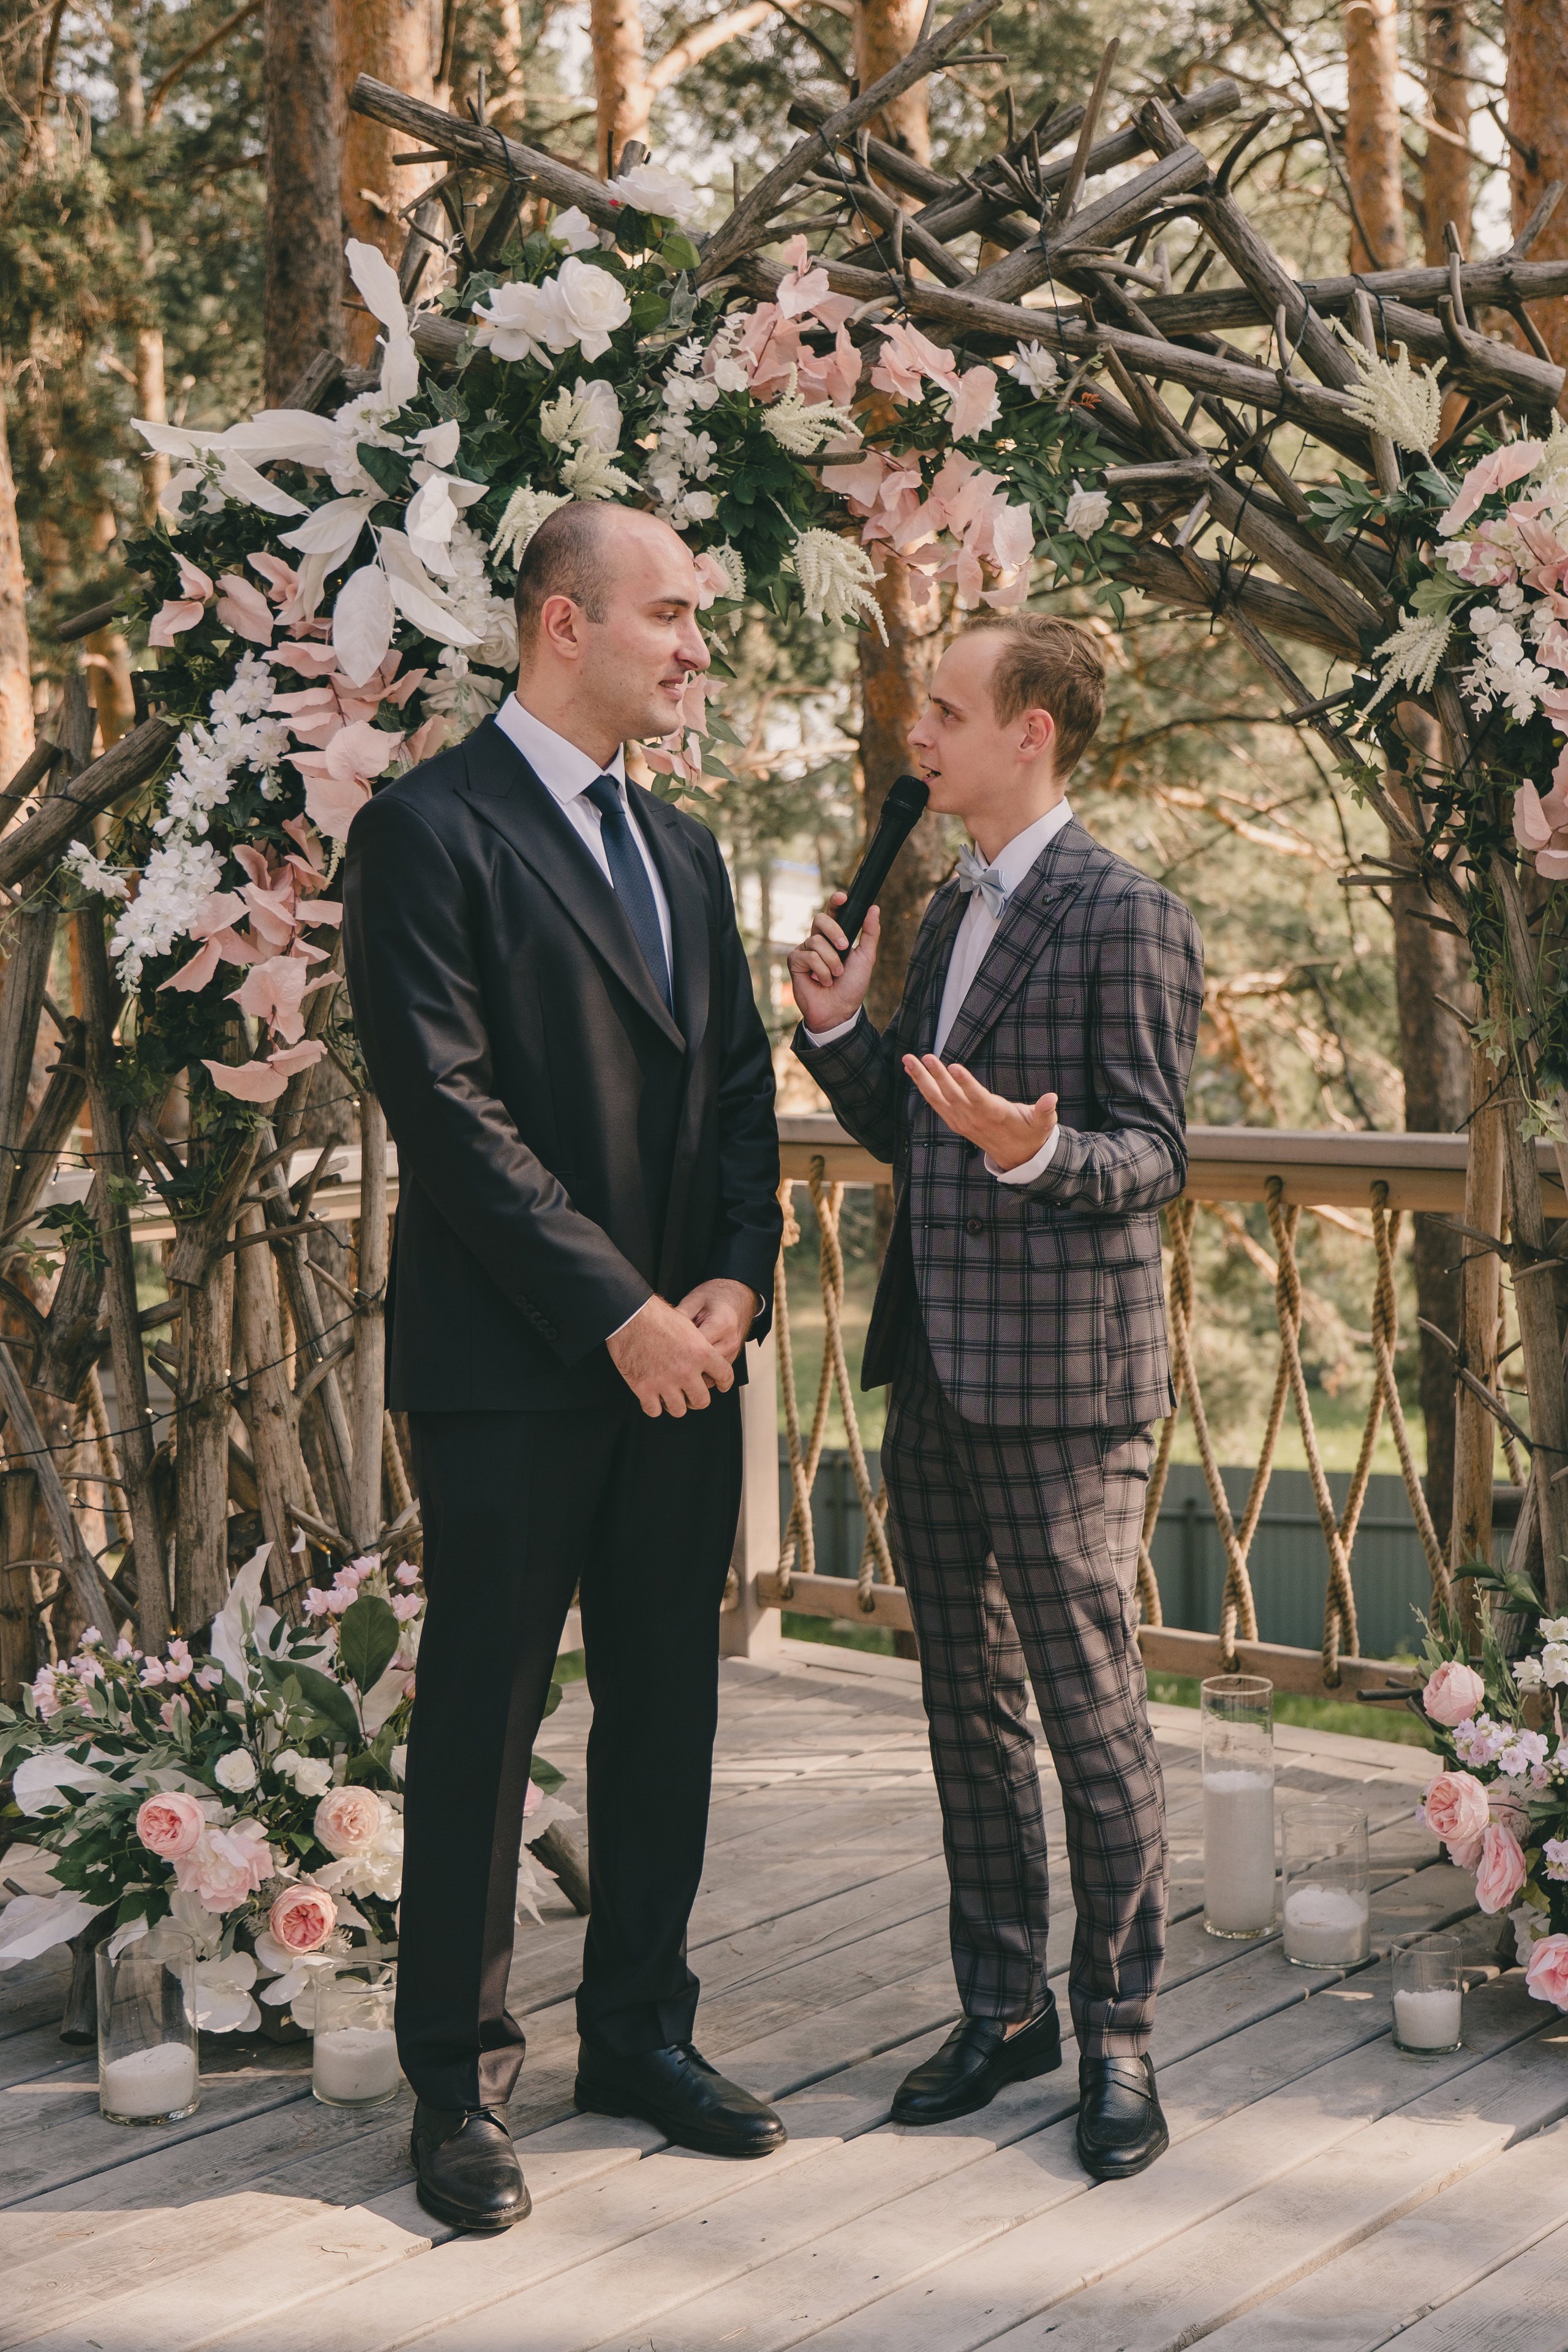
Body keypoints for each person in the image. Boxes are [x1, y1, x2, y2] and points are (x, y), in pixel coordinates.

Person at [344, 502, 785, 2234]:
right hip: (521, 1363)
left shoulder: (683, 853)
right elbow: (445, 1112)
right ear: (560, 625)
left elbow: (738, 1083)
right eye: (671, 616)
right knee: (487, 1714)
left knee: (671, 1699)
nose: (695, 647)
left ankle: (642, 2037)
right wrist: (619, 1310)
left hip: (689, 1357)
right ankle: (456, 2086)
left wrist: (735, 1279)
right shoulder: (425, 833)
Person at [788, 612, 1202, 2184]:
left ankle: (1121, 2036)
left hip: (1063, 1388)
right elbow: (920, 1138)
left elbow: (1154, 1154)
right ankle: (1000, 2007)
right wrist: (844, 1035)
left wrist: (1038, 1151)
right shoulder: (950, 909)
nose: (922, 736)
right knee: (965, 1706)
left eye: (946, 712)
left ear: (1029, 730)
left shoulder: (1126, 915)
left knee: (1092, 1718)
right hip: (937, 1373)